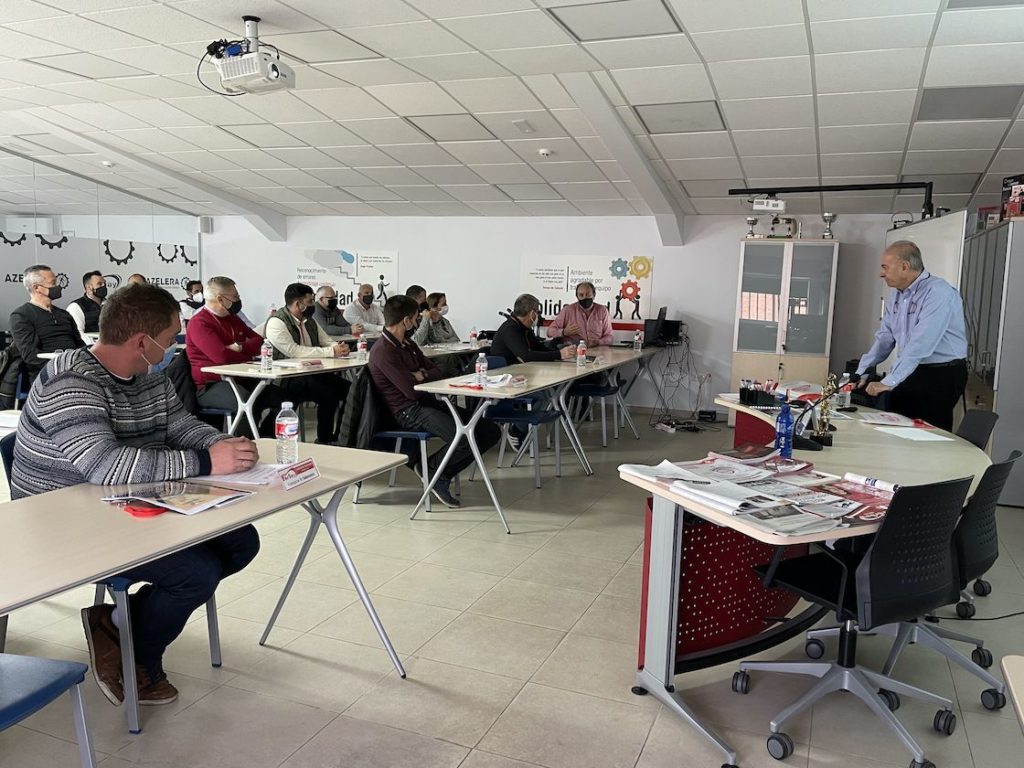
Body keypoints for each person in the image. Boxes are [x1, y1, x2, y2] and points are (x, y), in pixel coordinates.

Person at [10, 283, 261, 707]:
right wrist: (205, 462)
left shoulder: (149, 376)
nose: (170, 350)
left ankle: (119, 623)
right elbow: (105, 466)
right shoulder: (70, 380)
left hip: (126, 502)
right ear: (141, 342)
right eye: (167, 341)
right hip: (63, 521)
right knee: (194, 573)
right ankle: (136, 658)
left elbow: (180, 427)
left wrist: (224, 446)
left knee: (241, 540)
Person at [368, 295, 500, 508]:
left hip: (428, 401)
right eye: (415, 318)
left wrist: (421, 375)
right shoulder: (384, 351)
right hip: (407, 411)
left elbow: (435, 370)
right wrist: (419, 376)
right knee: (463, 438)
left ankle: (431, 468)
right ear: (406, 320)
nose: (417, 322)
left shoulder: (408, 344)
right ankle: (438, 475)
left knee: (489, 431)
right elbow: (410, 391)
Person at [855, 240, 968, 432]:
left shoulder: (938, 293)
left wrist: (888, 382)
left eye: (885, 267)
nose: (881, 273)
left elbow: (921, 343)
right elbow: (885, 338)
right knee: (896, 426)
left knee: (929, 433)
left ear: (904, 267)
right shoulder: (897, 296)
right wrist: (861, 372)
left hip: (941, 374)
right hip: (911, 369)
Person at [186, 276, 286, 436]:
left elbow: (259, 341)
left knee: (283, 398)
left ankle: (265, 439)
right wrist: (246, 354)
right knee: (246, 401)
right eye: (235, 297)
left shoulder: (232, 318)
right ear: (220, 299)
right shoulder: (199, 323)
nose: (238, 300)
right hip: (212, 385)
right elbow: (222, 358)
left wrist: (239, 347)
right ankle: (239, 447)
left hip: (243, 378)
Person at [265, 283, 351, 444]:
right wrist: (331, 352)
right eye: (311, 301)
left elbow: (326, 340)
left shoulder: (309, 321)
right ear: (299, 304)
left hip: (313, 373)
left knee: (351, 390)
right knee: (328, 395)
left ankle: (341, 437)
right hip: (288, 378)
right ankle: (324, 440)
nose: (313, 305)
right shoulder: (277, 323)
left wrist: (338, 347)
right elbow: (295, 351)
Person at [10, 265, 86, 385]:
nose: (58, 286)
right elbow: (31, 357)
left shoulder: (64, 314)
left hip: (77, 371)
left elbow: (80, 345)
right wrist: (62, 368)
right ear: (36, 288)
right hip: (46, 376)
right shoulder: (21, 315)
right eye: (53, 283)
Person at [491, 293, 574, 364]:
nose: (538, 316)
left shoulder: (525, 328)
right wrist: (559, 354)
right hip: (506, 374)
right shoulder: (510, 329)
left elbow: (539, 348)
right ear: (532, 313)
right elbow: (525, 356)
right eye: (537, 312)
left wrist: (562, 353)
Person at [546, 281, 613, 347]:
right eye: (581, 295)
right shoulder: (567, 310)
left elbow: (609, 337)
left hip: (596, 350)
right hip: (572, 350)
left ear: (594, 295)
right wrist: (564, 332)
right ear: (577, 296)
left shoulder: (603, 311)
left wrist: (598, 342)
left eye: (588, 294)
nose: (584, 297)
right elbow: (549, 332)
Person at [67, 270, 108, 335]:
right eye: (99, 284)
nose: (104, 286)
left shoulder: (111, 304)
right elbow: (78, 334)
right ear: (88, 287)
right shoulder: (76, 306)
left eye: (104, 283)